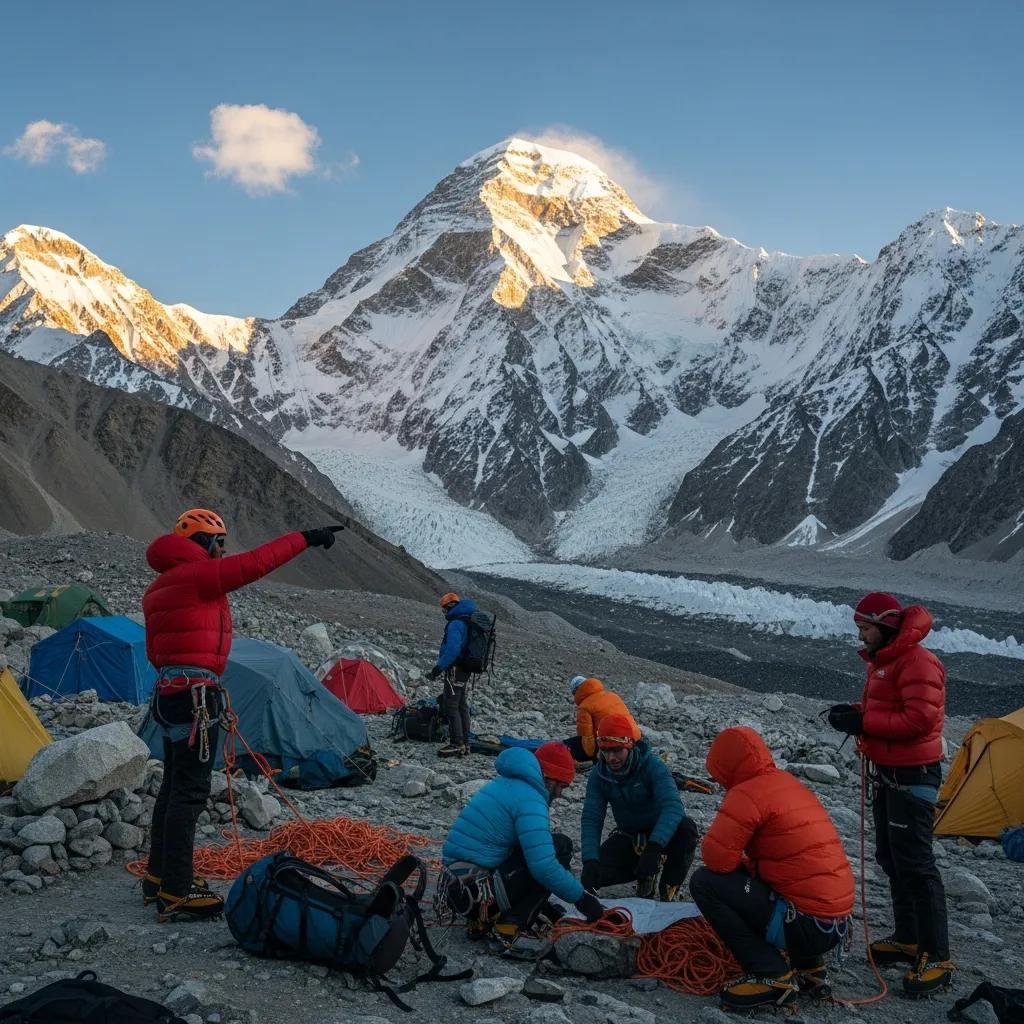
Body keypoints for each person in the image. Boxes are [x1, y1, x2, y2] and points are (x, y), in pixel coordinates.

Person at [142, 508, 341, 921]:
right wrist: (304, 536)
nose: (222, 551)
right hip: (197, 696)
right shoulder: (196, 576)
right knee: (189, 794)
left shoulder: (161, 584)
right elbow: (255, 564)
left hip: (170, 692)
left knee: (173, 788)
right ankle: (176, 892)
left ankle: (159, 878)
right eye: (218, 543)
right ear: (203, 543)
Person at [827, 591, 954, 997]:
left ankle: (937, 956)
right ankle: (908, 937)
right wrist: (853, 713)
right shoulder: (888, 661)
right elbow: (893, 709)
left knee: (916, 864)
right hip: (889, 773)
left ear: (884, 624)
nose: (861, 637)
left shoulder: (917, 661)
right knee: (892, 857)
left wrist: (863, 721)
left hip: (911, 774)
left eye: (865, 628)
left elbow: (920, 719)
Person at [690, 727, 854, 1012]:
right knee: (775, 879)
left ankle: (771, 974)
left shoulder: (747, 792)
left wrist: (741, 870)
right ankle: (810, 967)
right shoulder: (786, 783)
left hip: (804, 925)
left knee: (704, 882)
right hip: (834, 925)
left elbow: (715, 859)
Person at [441, 742, 603, 942]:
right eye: (560, 786)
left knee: (534, 850)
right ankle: (511, 926)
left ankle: (485, 919)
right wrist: (583, 900)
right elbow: (544, 867)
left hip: (457, 887)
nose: (560, 794)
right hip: (476, 893)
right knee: (560, 847)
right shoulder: (530, 799)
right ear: (547, 777)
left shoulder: (507, 784)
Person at [580, 714, 697, 901]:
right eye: (605, 751)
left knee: (687, 830)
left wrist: (654, 847)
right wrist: (590, 859)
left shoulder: (652, 766)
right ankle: (644, 874)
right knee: (597, 872)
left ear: (630, 745)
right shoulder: (599, 775)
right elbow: (592, 819)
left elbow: (673, 807)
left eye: (617, 750)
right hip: (630, 837)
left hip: (662, 836)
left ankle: (669, 886)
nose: (611, 758)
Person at [428, 592, 476, 758]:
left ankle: (457, 743)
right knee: (462, 704)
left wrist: (439, 668)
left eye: (443, 609)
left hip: (456, 669)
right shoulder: (468, 620)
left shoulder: (456, 623)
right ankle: (466, 742)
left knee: (451, 705)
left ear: (449, 606)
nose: (444, 613)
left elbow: (453, 649)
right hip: (465, 669)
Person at [566, 675, 640, 763]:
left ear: (576, 692)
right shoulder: (612, 695)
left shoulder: (584, 707)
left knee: (568, 745)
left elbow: (587, 738)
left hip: (615, 744)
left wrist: (593, 757)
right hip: (635, 738)